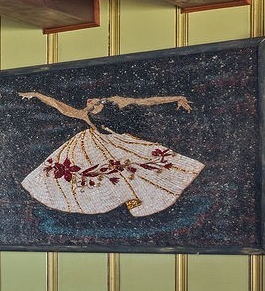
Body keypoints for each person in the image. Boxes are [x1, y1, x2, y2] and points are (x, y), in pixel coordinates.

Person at [16, 91, 201, 218]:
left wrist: (176, 98)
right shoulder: (85, 114)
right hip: (95, 143)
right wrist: (38, 95)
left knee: (137, 165)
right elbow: (59, 106)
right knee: (102, 171)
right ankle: (124, 198)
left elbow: (145, 101)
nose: (88, 102)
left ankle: (139, 196)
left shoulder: (115, 101)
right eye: (86, 101)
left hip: (118, 140)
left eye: (91, 100)